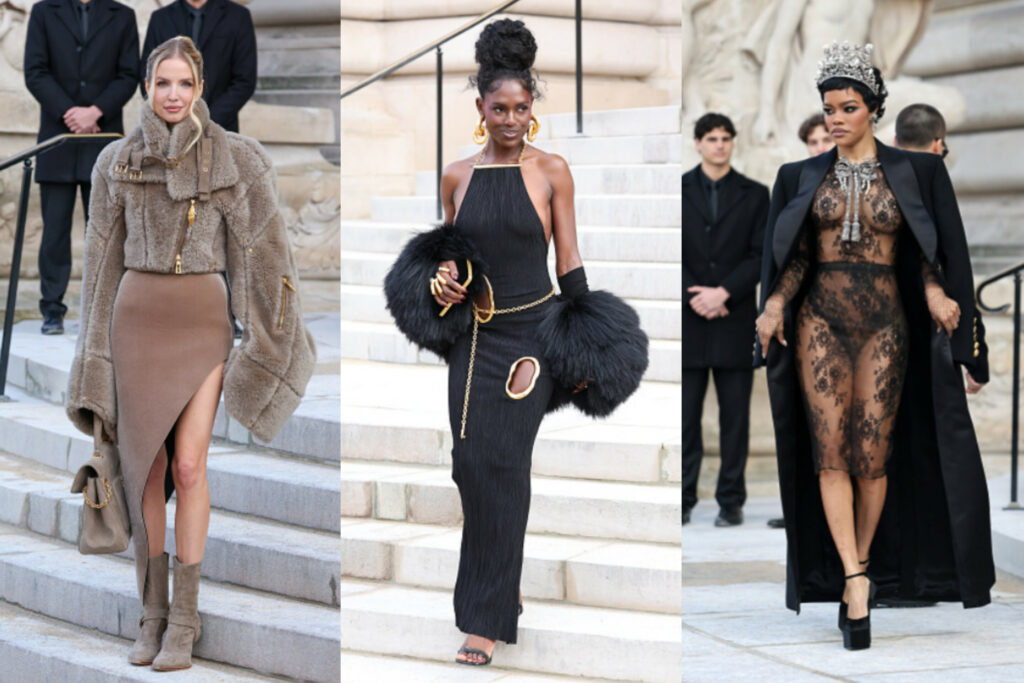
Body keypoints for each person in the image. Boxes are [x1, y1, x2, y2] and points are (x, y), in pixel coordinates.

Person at [383, 19, 647, 667]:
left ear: (534, 108)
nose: (510, 119)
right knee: (470, 470)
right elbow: (452, 260)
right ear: (479, 108)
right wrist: (442, 284)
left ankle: (483, 621)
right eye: (498, 108)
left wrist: (591, 344)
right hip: (475, 342)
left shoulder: (553, 171)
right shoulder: (456, 176)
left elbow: (571, 263)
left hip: (533, 340)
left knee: (504, 469)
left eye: (521, 108)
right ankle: (504, 586)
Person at [65, 36, 315, 670]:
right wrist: (91, 364)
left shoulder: (239, 160)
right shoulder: (117, 163)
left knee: (189, 468)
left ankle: (186, 619)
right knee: (142, 470)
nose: (172, 95)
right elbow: (98, 270)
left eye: (183, 84)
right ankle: (150, 612)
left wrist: (261, 338)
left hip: (202, 325)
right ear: (147, 88)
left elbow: (261, 258)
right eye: (161, 84)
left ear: (199, 88)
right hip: (134, 326)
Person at [755, 41, 993, 651]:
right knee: (830, 453)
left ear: (873, 110)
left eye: (848, 107)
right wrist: (776, 303)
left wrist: (940, 293)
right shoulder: (800, 176)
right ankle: (855, 581)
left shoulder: (918, 171)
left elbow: (929, 251)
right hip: (819, 321)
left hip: (888, 321)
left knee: (871, 456)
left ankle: (855, 560)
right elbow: (795, 256)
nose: (835, 117)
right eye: (829, 108)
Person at [23, 0, 139, 334]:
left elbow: (129, 74)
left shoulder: (123, 15)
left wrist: (96, 110)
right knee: (54, 232)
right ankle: (52, 309)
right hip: (57, 138)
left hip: (103, 139)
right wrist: (70, 112)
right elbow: (36, 70)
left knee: (104, 231)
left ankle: (103, 311)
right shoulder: (45, 11)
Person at [682, 113, 769, 527]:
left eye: (725, 138)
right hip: (690, 318)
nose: (719, 145)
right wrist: (697, 295)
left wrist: (724, 293)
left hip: (734, 320)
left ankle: (730, 501)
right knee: (685, 418)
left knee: (735, 418)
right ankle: (682, 498)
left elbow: (760, 255)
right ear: (697, 143)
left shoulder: (756, 194)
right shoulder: (677, 189)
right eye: (711, 138)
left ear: (733, 143)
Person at [767, 111, 836, 530]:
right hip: (803, 322)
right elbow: (775, 259)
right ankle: (800, 512)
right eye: (813, 141)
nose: (820, 147)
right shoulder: (794, 183)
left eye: (825, 139)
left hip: (861, 322)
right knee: (805, 424)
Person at [140, 0, 256, 133]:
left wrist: (206, 119)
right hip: (168, 130)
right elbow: (148, 74)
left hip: (220, 128)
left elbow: (244, 81)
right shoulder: (160, 18)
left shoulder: (238, 16)